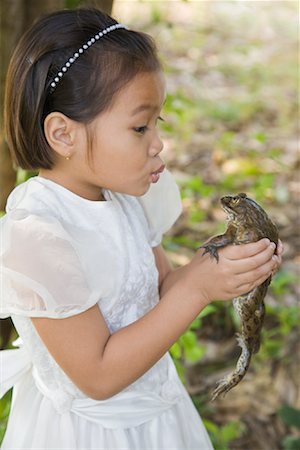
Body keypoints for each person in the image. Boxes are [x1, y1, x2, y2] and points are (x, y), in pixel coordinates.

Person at [0, 7, 282, 450]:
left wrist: (220, 269)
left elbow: (160, 293)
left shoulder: (125, 197)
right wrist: (197, 291)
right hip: (90, 433)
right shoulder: (40, 234)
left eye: (158, 123)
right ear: (63, 134)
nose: (158, 143)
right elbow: (97, 375)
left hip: (156, 417)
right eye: (139, 126)